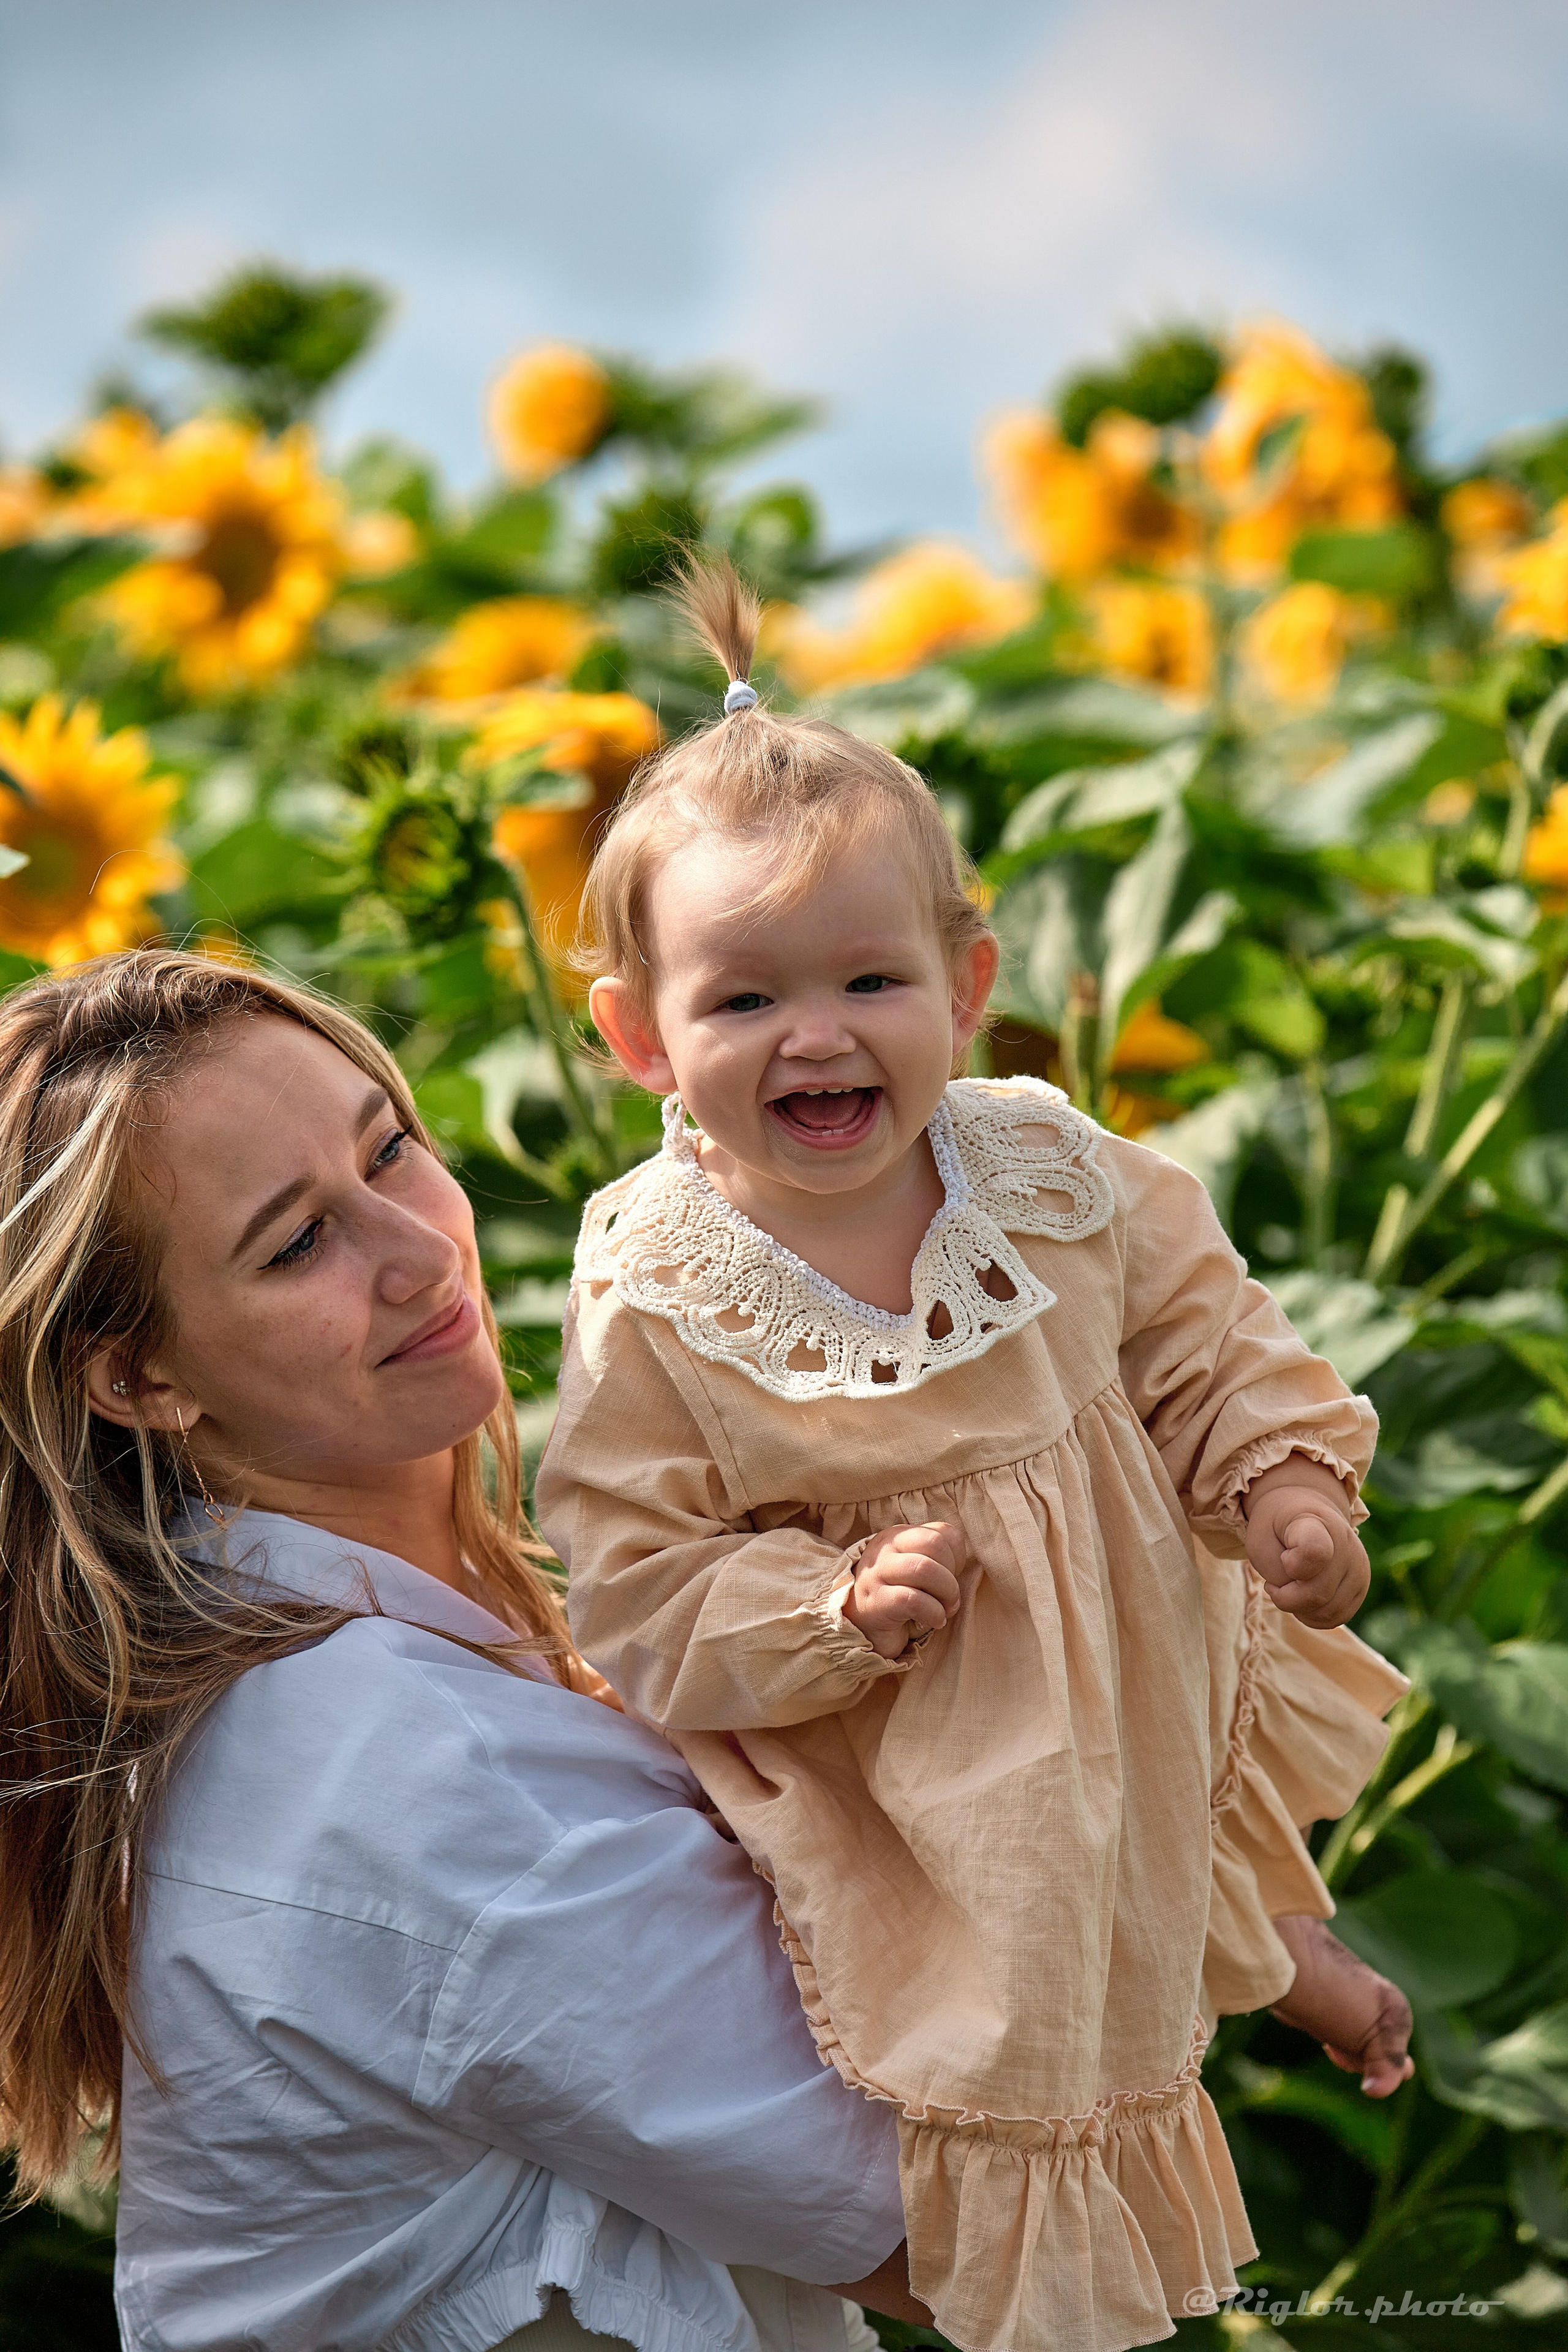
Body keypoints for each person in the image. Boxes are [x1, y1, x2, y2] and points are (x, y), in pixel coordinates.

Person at [535, 560, 1417, 2352]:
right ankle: (1050, 2287)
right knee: (1004, 2007)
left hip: (1132, 1653)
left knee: (1154, 1848)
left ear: (970, 983)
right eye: (744, 1001)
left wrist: (1282, 1480)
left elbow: (1197, 1330)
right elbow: (633, 1571)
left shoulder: (1045, 1164)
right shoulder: (658, 1283)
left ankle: (1272, 1952)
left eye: (872, 976)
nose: (819, 1035)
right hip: (909, 1747)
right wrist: (827, 1604)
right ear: (640, 1040)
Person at [0, 950, 924, 2352]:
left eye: (392, 1150)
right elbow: (965, 2229)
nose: (422, 1248)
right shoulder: (425, 1772)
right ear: (139, 1378)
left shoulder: (253, 1658)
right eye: (297, 1242)